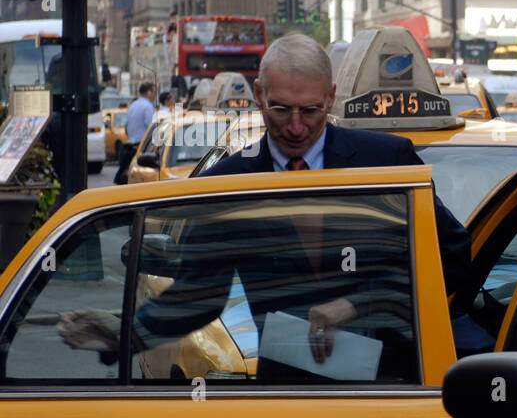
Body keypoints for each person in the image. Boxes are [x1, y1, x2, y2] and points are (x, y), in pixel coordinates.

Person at [59, 34, 477, 374]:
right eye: (281, 109)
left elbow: (453, 257)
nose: (296, 127)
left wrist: (359, 305)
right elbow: (201, 294)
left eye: (310, 111)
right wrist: (128, 333)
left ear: (330, 98)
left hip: (397, 386)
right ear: (259, 95)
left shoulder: (386, 161)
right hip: (285, 394)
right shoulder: (226, 187)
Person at [116, 81, 155, 184]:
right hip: (141, 147)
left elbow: (128, 126)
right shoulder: (148, 106)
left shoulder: (133, 105)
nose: (155, 95)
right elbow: (151, 128)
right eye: (154, 92)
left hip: (130, 144)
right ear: (149, 93)